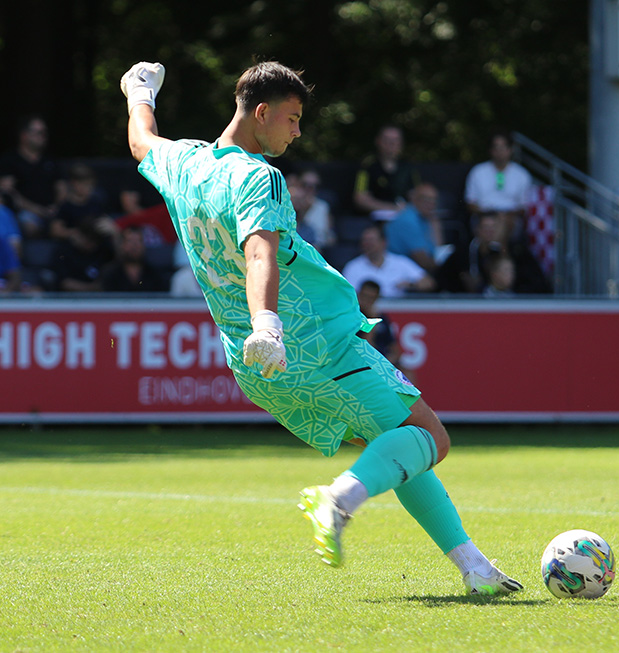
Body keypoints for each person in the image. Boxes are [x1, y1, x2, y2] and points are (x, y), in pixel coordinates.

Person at [121, 61, 521, 595]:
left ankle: (475, 568)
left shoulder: (187, 163)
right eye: (291, 118)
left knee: (396, 446)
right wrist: (268, 321)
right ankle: (338, 500)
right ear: (260, 113)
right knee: (429, 436)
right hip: (313, 344)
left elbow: (142, 140)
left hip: (254, 364)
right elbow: (259, 251)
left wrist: (138, 91)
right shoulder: (256, 176)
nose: (297, 131)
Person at [0, 116, 66, 239]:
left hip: (54, 212)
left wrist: (57, 208)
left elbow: (61, 187)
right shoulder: (9, 160)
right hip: (26, 212)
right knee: (29, 226)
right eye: (39, 132)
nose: (43, 136)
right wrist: (37, 210)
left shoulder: (50, 160)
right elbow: (8, 193)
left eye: (45, 132)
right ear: (24, 135)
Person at [342, 224, 435, 298]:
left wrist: (410, 284)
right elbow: (346, 296)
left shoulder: (401, 262)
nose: (368, 244)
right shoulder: (352, 267)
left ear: (383, 242)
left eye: (371, 240)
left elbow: (428, 283)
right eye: (365, 241)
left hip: (398, 313)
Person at [464, 131, 532, 226]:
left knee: (503, 221)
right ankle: (497, 240)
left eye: (503, 147)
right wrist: (489, 214)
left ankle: (495, 240)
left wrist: (505, 215)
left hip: (511, 219)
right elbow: (470, 203)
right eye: (496, 147)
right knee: (489, 223)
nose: (499, 151)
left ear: (511, 149)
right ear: (490, 150)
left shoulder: (521, 174)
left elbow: (524, 206)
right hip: (483, 217)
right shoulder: (478, 171)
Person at [352, 125, 420, 219]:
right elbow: (360, 199)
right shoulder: (367, 166)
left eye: (395, 139)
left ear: (401, 143)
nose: (391, 143)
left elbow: (417, 194)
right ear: (377, 141)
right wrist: (392, 208)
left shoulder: (408, 166)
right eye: (386, 139)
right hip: (373, 220)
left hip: (404, 218)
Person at [385, 182, 445, 274]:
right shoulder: (408, 220)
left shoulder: (427, 217)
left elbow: (437, 249)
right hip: (397, 272)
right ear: (414, 199)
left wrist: (435, 223)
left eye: (434, 201)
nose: (431, 205)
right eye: (426, 200)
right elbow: (424, 262)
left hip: (415, 269)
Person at [50, 164, 109, 243]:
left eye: (90, 185)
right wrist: (73, 233)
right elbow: (55, 231)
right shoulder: (66, 206)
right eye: (84, 184)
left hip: (95, 243)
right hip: (73, 246)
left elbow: (103, 221)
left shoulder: (95, 203)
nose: (88, 188)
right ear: (74, 184)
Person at [100, 225, 169, 292]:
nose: (134, 246)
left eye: (138, 241)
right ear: (121, 245)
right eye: (130, 241)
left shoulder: (154, 274)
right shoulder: (110, 273)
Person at [287, 168, 335, 252]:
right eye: (305, 185)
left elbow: (329, 238)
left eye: (315, 186)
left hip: (313, 250)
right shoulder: (287, 202)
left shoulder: (323, 207)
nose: (310, 189)